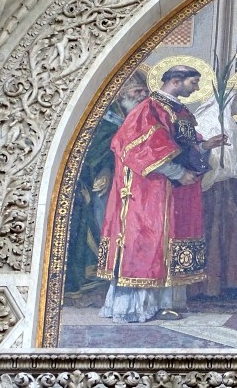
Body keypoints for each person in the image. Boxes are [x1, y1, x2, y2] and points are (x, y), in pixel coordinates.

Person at [97, 65, 228, 322]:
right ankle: (137, 307)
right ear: (176, 81)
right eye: (193, 82)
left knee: (169, 241)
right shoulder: (149, 109)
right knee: (148, 241)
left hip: (173, 192)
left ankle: (165, 303)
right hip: (148, 190)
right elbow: (141, 149)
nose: (197, 88)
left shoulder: (180, 111)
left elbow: (185, 147)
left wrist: (205, 145)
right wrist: (178, 173)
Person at [65, 71, 148, 298]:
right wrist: (105, 170)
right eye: (137, 91)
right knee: (101, 220)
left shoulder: (140, 116)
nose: (142, 95)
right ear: (121, 94)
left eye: (145, 91)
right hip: (95, 182)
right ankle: (100, 273)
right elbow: (93, 153)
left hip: (133, 183)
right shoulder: (106, 120)